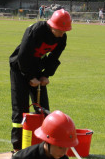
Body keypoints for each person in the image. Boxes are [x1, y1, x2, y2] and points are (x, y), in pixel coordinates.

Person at [8, 8, 71, 151]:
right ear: (53, 26)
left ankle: (44, 146)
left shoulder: (62, 38)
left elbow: (54, 58)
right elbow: (23, 56)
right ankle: (18, 148)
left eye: (65, 31)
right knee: (21, 108)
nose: (62, 34)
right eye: (61, 30)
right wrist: (30, 77)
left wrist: (45, 75)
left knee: (43, 108)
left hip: (36, 69)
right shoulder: (36, 30)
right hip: (19, 69)